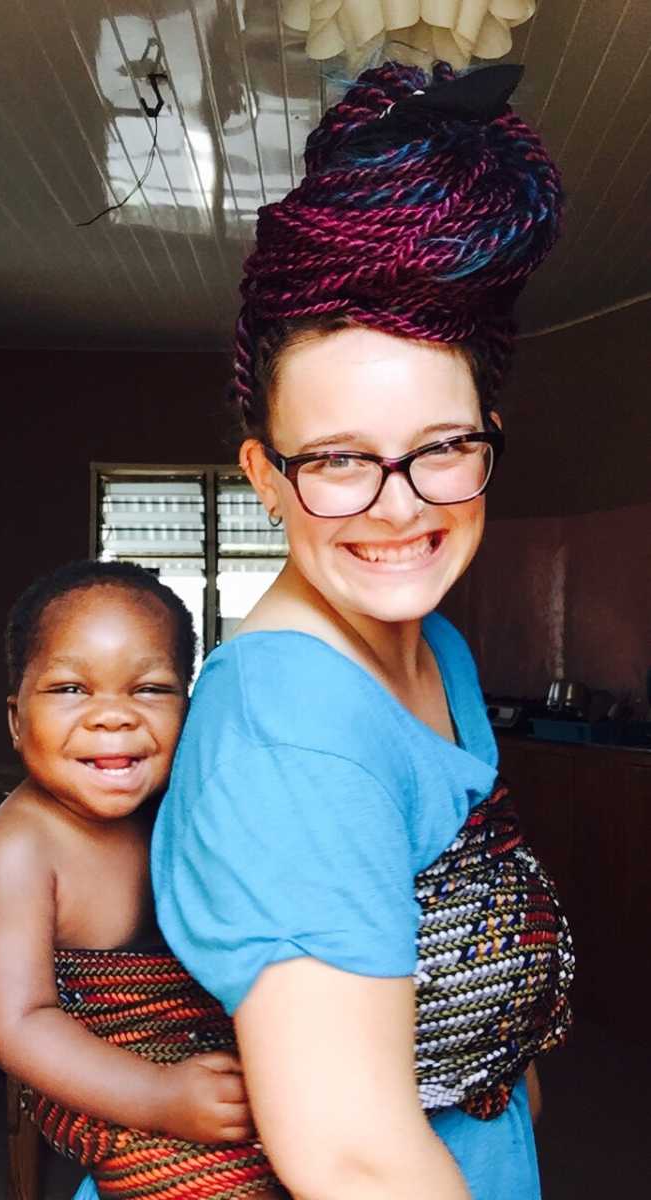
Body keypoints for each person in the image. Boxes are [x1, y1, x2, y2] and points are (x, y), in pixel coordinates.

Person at [143, 60, 573, 1200]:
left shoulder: (438, 652)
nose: (398, 505)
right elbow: (355, 1160)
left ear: (489, 435)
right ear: (267, 479)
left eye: (439, 446)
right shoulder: (295, 731)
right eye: (337, 459)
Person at [0, 560, 284, 1199]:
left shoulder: (183, 807)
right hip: (92, 1068)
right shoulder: (17, 849)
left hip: (204, 1036)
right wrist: (158, 1097)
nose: (113, 716)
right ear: (16, 719)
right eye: (70, 690)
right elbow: (19, 1025)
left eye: (151, 689)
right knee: (215, 1181)